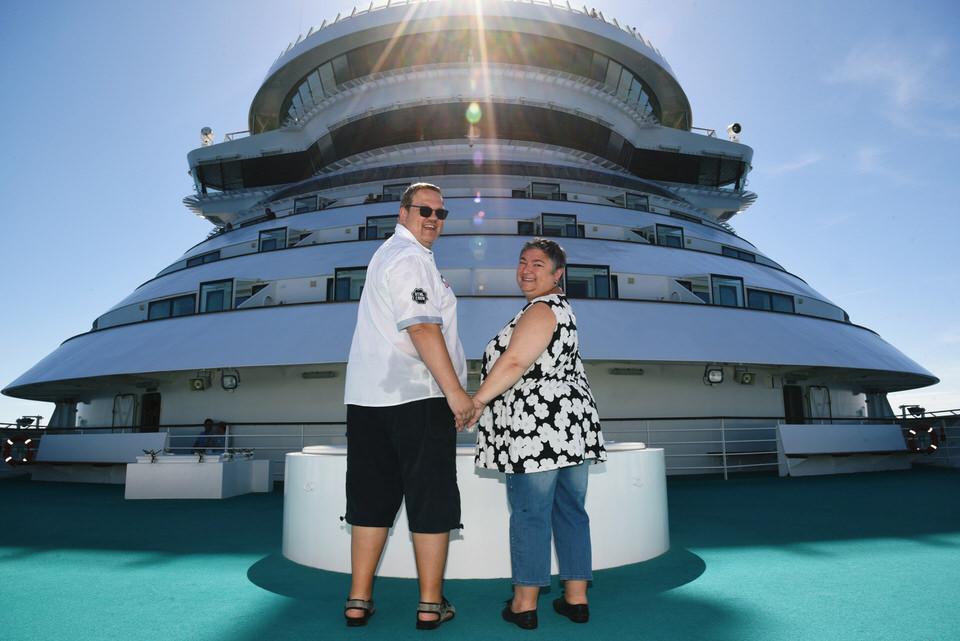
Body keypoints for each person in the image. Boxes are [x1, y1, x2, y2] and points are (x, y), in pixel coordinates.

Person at [342, 182, 473, 629]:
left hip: (368, 401)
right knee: (430, 500)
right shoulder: (411, 258)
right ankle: (430, 604)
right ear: (403, 213)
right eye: (424, 210)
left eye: (441, 213)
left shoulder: (385, 255)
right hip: (418, 397)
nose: (433, 219)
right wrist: (456, 394)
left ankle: (358, 600)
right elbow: (422, 328)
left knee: (371, 500)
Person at [470, 238, 606, 630]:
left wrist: (476, 401)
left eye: (538, 264)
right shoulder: (563, 309)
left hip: (537, 430)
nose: (527, 270)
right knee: (571, 511)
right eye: (523, 262)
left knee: (531, 514)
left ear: (557, 273)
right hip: (571, 428)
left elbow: (514, 362)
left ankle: (524, 604)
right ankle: (576, 599)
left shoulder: (542, 309)